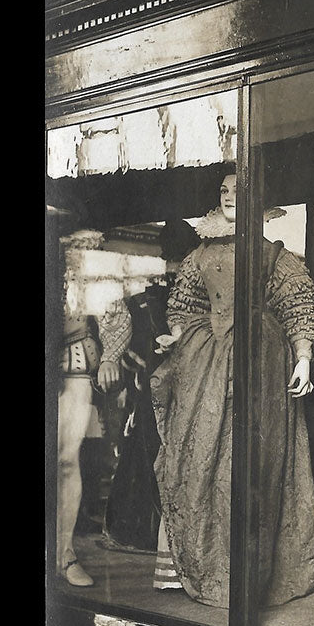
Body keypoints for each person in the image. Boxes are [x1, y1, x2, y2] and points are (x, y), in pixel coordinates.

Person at [150, 171, 314, 608]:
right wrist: (180, 336)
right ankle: (206, 567)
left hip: (261, 363)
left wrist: (302, 357)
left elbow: (299, 305)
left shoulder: (273, 256)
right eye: (223, 192)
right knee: (199, 455)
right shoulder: (200, 256)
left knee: (255, 460)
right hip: (205, 365)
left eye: (237, 192)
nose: (229, 197)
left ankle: (254, 576)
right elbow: (184, 303)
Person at [103, 220, 202, 552]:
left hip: (174, 385)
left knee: (158, 451)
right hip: (157, 387)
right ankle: (152, 535)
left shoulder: (160, 296)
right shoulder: (147, 299)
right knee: (151, 450)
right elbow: (131, 350)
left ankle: (157, 536)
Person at [57, 228, 132, 587]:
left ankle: (64, 554)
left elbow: (112, 314)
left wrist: (110, 356)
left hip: (69, 364)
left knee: (66, 460)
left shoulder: (84, 253)